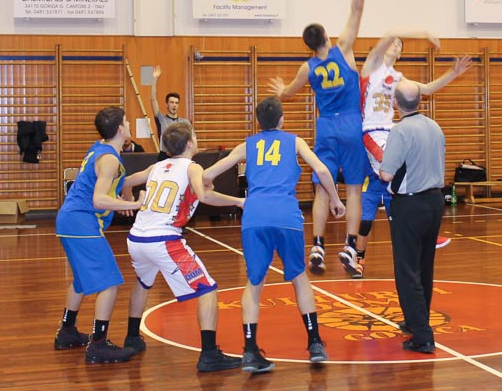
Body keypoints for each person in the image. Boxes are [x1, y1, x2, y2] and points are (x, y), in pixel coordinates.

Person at [202, 96, 346, 373]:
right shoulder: (295, 142)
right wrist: (336, 200)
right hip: (286, 215)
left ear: (258, 121)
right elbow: (321, 169)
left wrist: (204, 184)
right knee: (299, 277)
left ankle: (249, 350)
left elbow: (208, 174)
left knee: (254, 283)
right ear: (282, 119)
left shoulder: (247, 145)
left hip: (255, 216)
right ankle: (315, 343)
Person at [269, 0, 367, 274]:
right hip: (352, 123)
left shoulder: (307, 68)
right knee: (354, 188)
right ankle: (350, 246)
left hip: (326, 127)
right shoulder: (344, 50)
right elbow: (356, 9)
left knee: (323, 187)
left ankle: (318, 246)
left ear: (309, 45)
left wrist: (281, 89)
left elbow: (288, 93)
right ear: (327, 36)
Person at [122, 121, 245, 372]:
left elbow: (127, 180)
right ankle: (209, 354)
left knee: (143, 282)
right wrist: (239, 201)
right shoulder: (192, 167)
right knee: (207, 290)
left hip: (137, 238)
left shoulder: (156, 166)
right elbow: (205, 196)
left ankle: (132, 337)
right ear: (190, 143)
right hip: (163, 240)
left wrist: (128, 199)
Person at [354, 30, 472, 278]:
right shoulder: (371, 66)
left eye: (400, 44)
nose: (395, 44)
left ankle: (423, 230)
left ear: (400, 53)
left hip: (392, 130)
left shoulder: (398, 78)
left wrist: (453, 73)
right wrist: (424, 33)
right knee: (391, 174)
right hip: (371, 131)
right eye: (393, 42)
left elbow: (426, 89)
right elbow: (389, 33)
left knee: (410, 171)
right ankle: (354, 249)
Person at [54, 106, 144, 364]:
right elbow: (98, 199)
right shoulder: (110, 159)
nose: (129, 125)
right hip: (81, 222)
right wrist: (134, 204)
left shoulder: (100, 148)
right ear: (120, 129)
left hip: (71, 220)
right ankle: (98, 344)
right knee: (110, 282)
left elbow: (101, 187)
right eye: (127, 121)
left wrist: (120, 198)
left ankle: (67, 331)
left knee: (81, 280)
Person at [379, 80, 447, 354]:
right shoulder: (435, 126)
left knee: (407, 270)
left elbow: (386, 174)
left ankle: (422, 335)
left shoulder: (400, 130)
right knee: (424, 266)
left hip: (410, 204)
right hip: (435, 201)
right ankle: (417, 320)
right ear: (420, 100)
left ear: (395, 103)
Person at [150, 65, 187, 159]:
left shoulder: (185, 122)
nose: (174, 105)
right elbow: (153, 99)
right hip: (164, 156)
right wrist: (155, 79)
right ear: (166, 104)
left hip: (180, 156)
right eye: (171, 102)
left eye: (176, 103)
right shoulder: (161, 119)